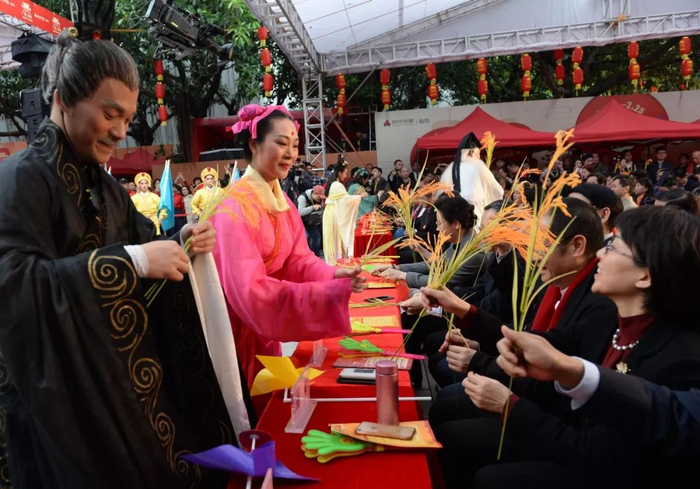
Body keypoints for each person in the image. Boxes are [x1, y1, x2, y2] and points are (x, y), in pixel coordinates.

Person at [0, 27, 237, 489]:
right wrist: (131, 263)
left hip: (116, 386)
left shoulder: (106, 187)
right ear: (64, 98)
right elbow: (12, 287)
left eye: (127, 117)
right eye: (110, 114)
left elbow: (146, 244)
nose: (121, 131)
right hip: (54, 403)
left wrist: (180, 241)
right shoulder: (19, 179)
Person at [464, 206, 700, 489]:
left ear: (645, 276)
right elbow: (543, 346)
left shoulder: (678, 359)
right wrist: (466, 314)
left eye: (613, 248)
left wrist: (510, 407)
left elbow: (602, 457)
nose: (599, 253)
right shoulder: (609, 320)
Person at [211, 104, 367, 387]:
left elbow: (298, 259)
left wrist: (333, 275)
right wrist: (325, 294)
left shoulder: (281, 201)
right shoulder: (232, 208)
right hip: (236, 329)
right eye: (281, 143)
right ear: (254, 144)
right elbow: (250, 291)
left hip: (264, 326)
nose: (291, 154)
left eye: (294, 145)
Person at [496, 327, 700, 471]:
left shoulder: (678, 352)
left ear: (644, 280)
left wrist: (511, 406)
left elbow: (676, 417)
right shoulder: (606, 322)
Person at [440, 133, 504, 223]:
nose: (479, 157)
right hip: (474, 207)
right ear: (471, 152)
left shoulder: (450, 168)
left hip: (452, 210)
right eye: (478, 153)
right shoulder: (478, 165)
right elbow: (496, 190)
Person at [323, 161, 362, 264]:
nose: (345, 176)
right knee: (336, 239)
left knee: (334, 239)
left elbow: (344, 199)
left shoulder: (333, 184)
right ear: (339, 173)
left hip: (331, 212)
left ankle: (335, 261)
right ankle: (336, 261)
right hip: (334, 213)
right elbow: (346, 201)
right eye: (344, 173)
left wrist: (353, 197)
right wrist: (359, 197)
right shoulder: (337, 185)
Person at [297, 184, 326, 256]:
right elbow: (300, 212)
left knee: (318, 235)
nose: (320, 199)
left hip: (312, 220)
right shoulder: (303, 197)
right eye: (319, 197)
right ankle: (311, 255)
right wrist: (312, 207)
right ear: (314, 193)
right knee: (311, 236)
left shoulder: (320, 199)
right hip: (301, 221)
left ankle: (316, 254)